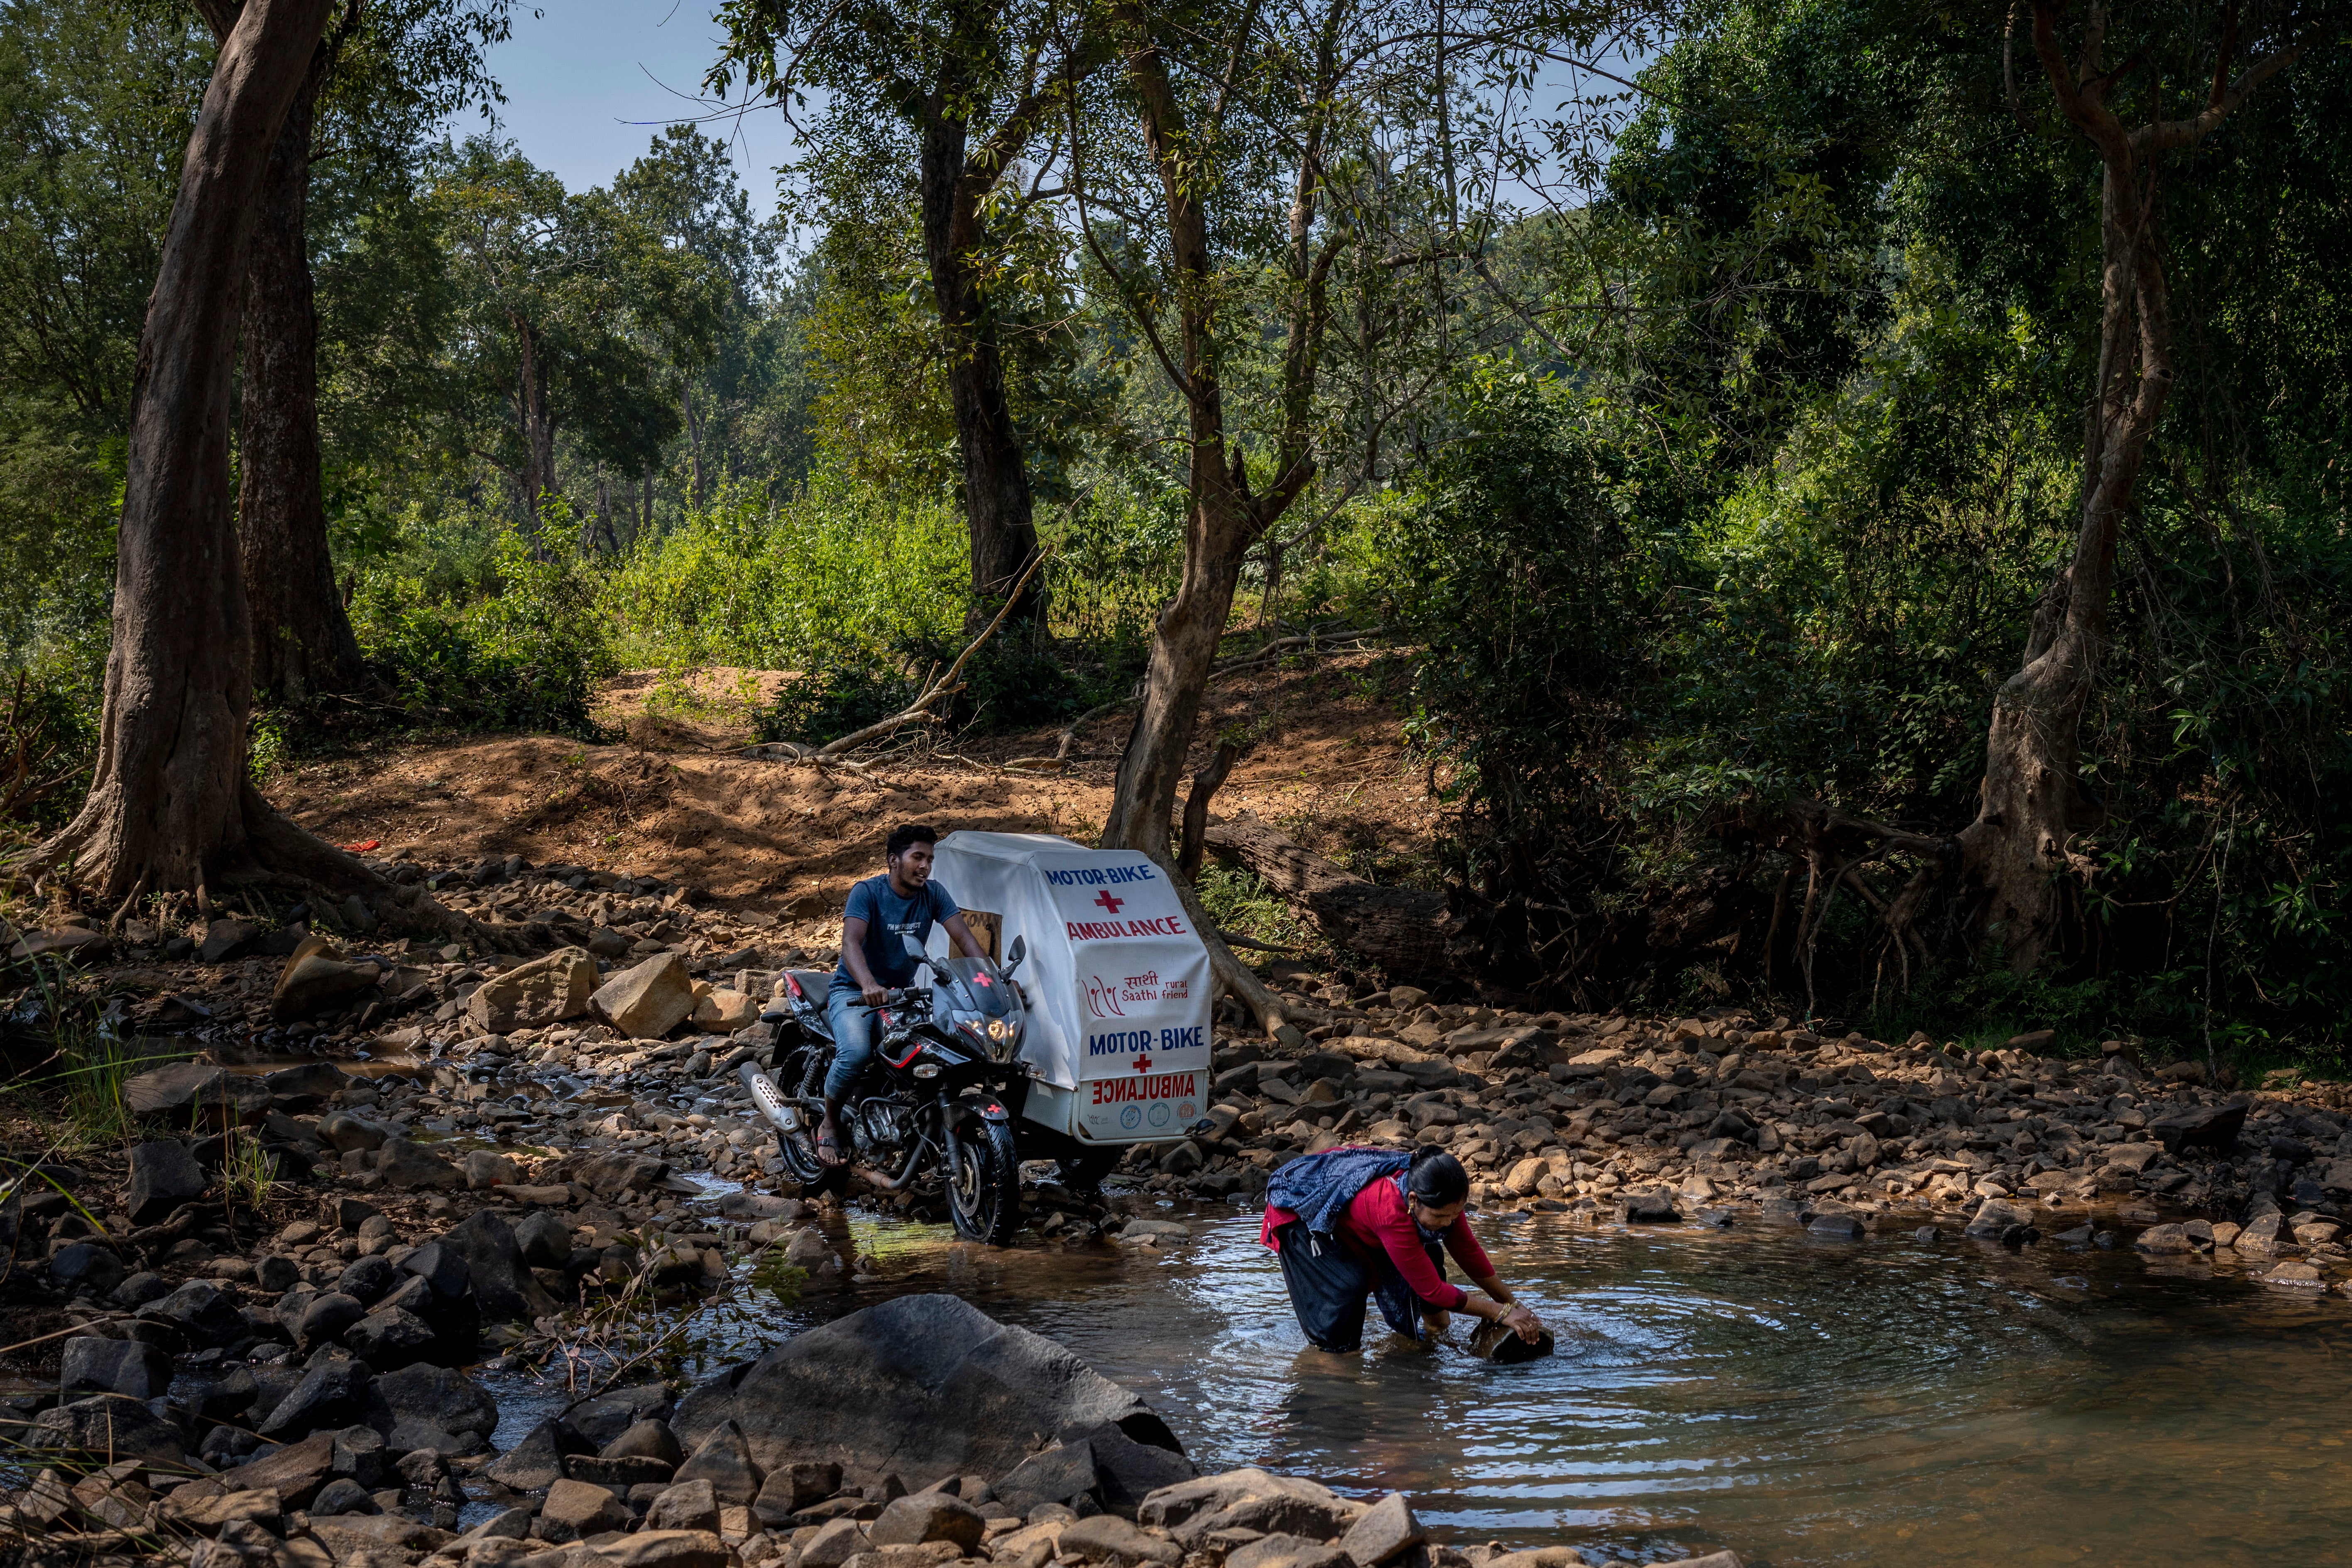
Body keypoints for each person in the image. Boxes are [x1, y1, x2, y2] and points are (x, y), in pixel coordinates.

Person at [1261, 1144, 1544, 1353]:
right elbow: (1431, 1290)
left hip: (1355, 1218)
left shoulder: (1443, 1199)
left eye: (1453, 1216)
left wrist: (1513, 1305)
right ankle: (1332, 1370)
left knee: (1430, 1253)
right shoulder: (1389, 1208)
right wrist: (1496, 1312)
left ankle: (1435, 1338)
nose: (1447, 1224)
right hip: (1300, 1217)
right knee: (1347, 1291)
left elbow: (1468, 1253)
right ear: (1413, 1200)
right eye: (1440, 1217)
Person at [820, 823, 987, 1167]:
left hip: (901, 995)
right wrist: (868, 983)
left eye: (929, 858)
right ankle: (829, 1121)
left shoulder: (934, 894)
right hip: (854, 991)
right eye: (918, 857)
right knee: (855, 1053)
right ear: (894, 860)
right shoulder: (867, 893)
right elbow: (851, 942)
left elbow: (966, 940)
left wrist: (990, 978)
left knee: (937, 1053)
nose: (925, 865)